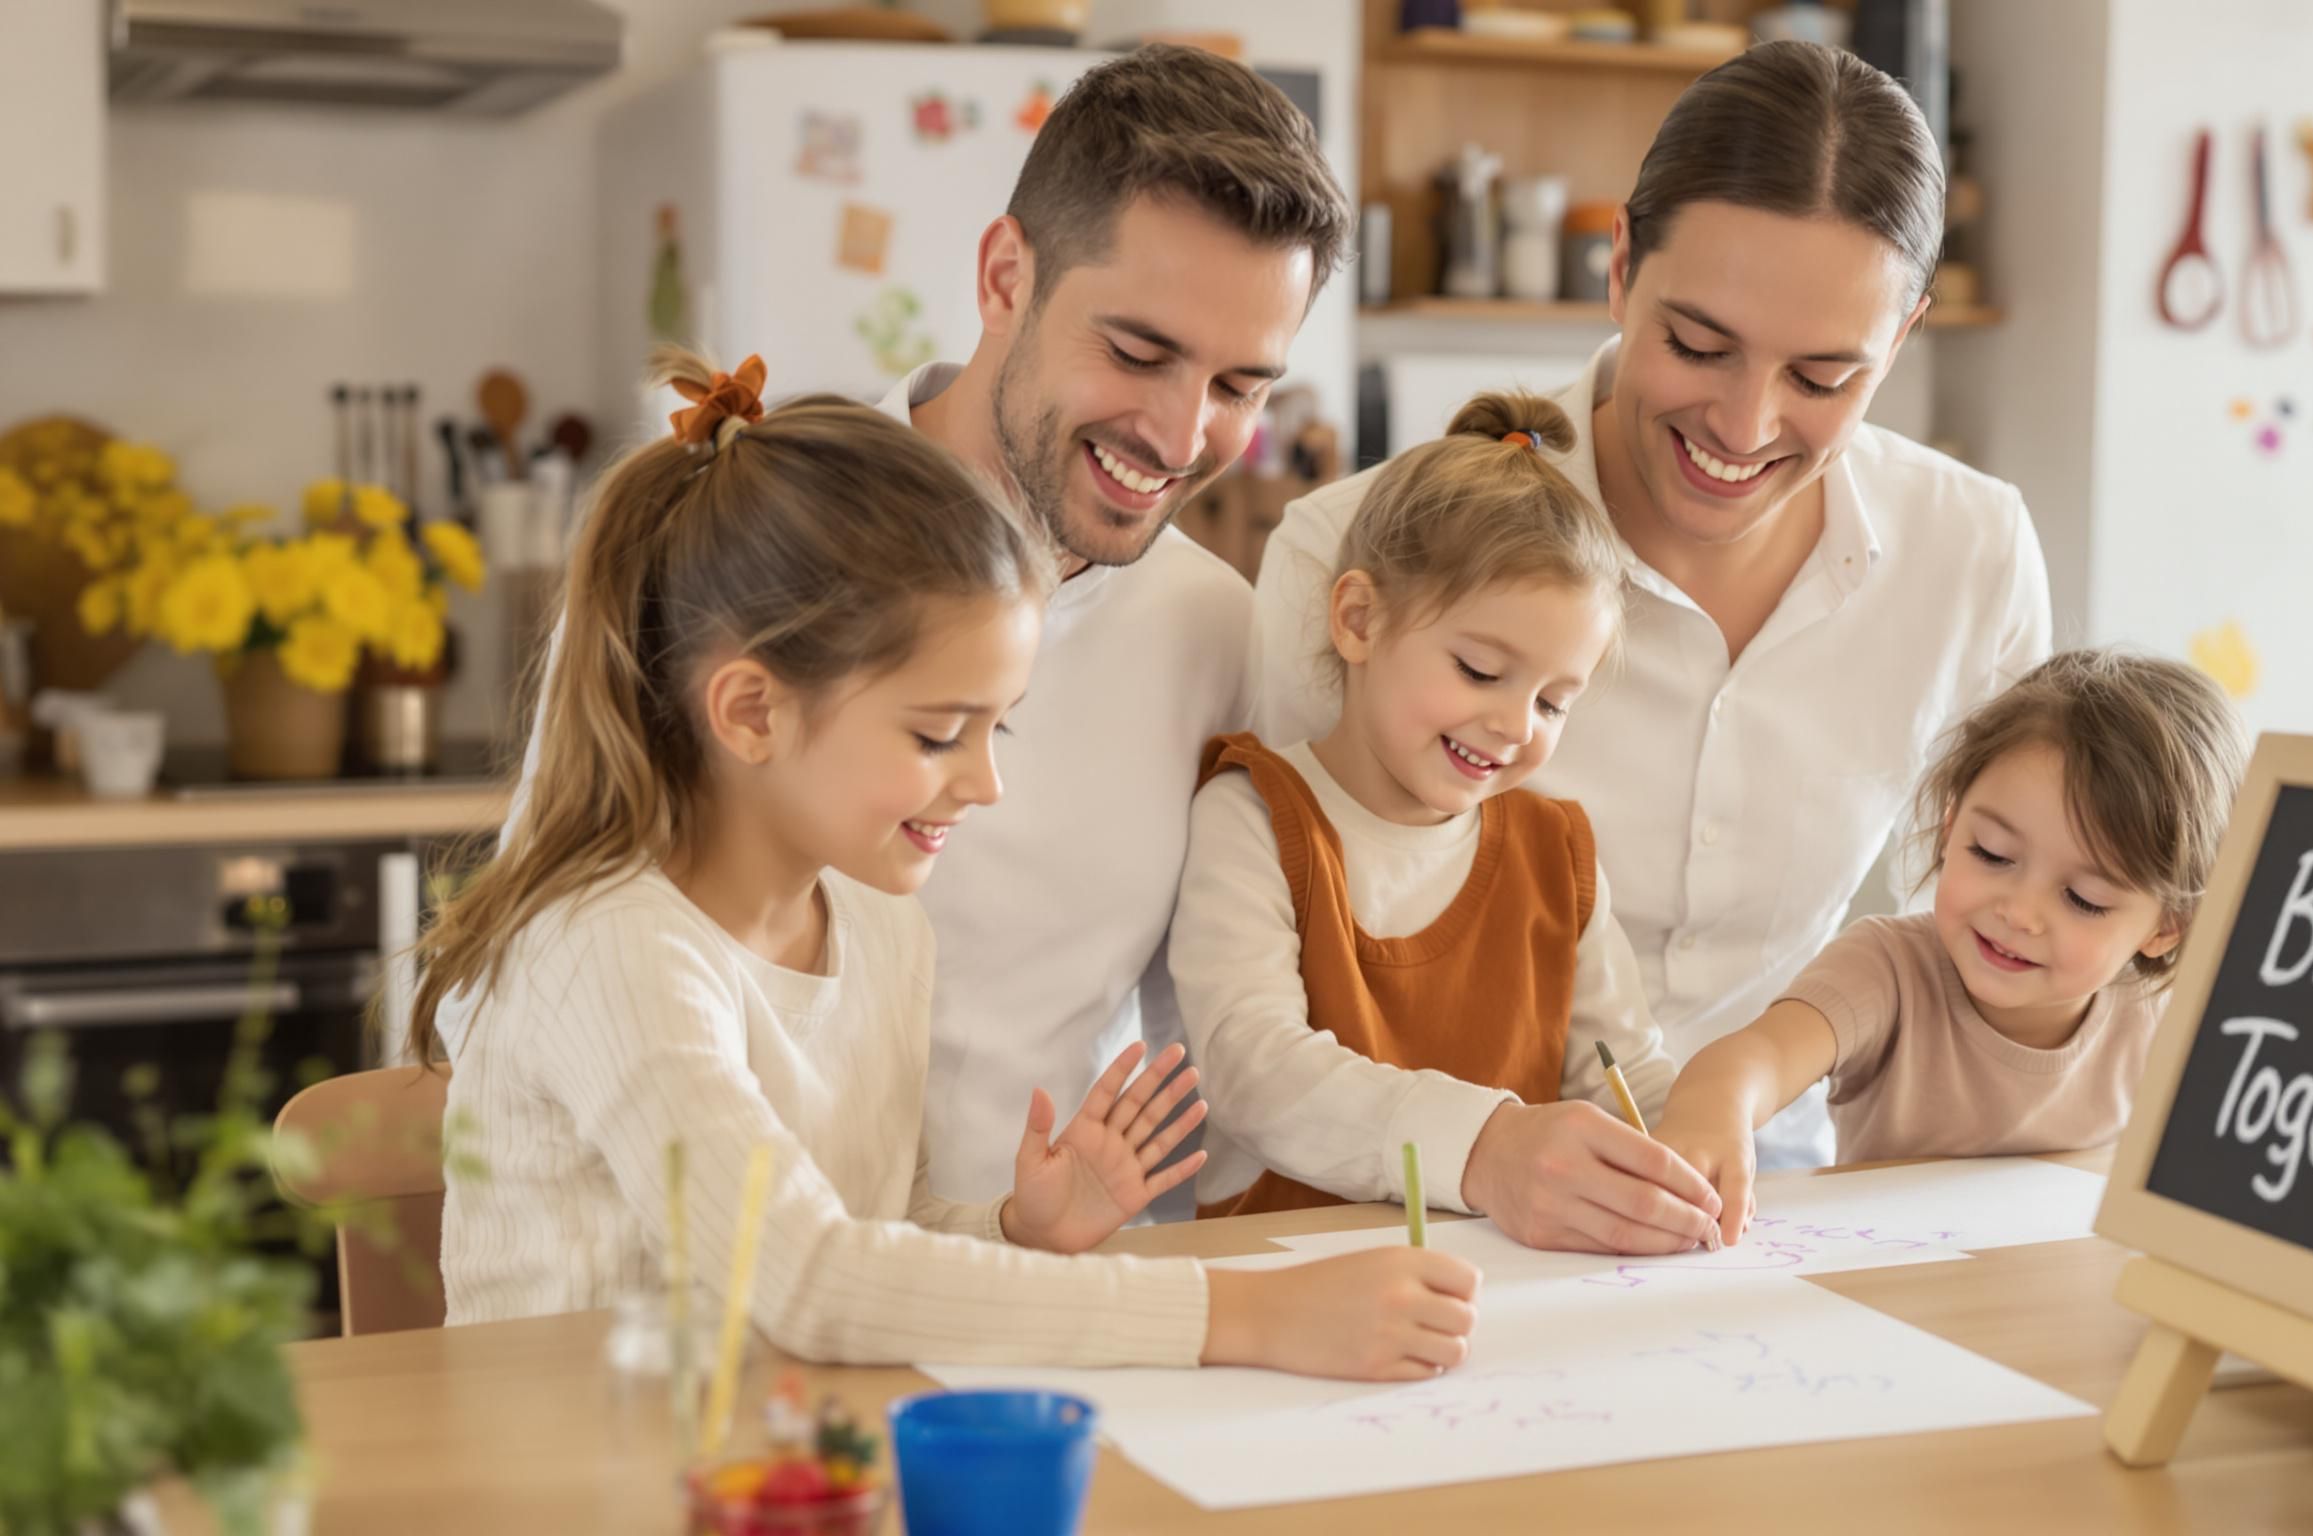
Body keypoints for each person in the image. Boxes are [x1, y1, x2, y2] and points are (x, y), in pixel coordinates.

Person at [422, 354, 1480, 1378]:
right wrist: (1239, 1314)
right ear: (752, 713)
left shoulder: (876, 923)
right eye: (937, 735)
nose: (983, 785)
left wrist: (1014, 1226)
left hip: (777, 1454)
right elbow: (803, 1274)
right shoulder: (610, 945)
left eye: (997, 732)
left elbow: (882, 1231)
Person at [470, 47, 1358, 1208]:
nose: (1181, 433)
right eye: (1138, 353)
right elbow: (526, 968)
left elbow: (1217, 1047)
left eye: (1241, 387)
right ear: (1003, 276)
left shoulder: (1216, 634)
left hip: (1042, 1293)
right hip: (716, 1298)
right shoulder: (747, 546)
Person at [1252, 41, 2053, 1181]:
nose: (1743, 423)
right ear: (1617, 266)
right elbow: (1256, 1005)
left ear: (1905, 334)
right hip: (1412, 1212)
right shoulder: (1355, 556)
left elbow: (1980, 946)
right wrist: (1478, 1155)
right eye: (1695, 344)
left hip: (1768, 1205)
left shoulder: (1969, 554)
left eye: (1824, 378)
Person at [1171, 393, 1721, 1252]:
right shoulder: (1254, 816)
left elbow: (1621, 1074)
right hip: (1285, 1294)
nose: (1515, 725)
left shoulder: (1557, 855)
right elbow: (1251, 1068)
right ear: (1358, 619)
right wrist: (1484, 1147)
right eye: (1479, 670)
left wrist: (1690, 1148)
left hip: (1503, 1297)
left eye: (1552, 701)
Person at [1655, 650, 2249, 1241]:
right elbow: (1757, 1058)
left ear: (2166, 927)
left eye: (2083, 898)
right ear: (1950, 823)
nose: (2018, 912)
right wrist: (1714, 1111)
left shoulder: (2163, 1019)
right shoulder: (1887, 970)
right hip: (1887, 1295)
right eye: (1991, 853)